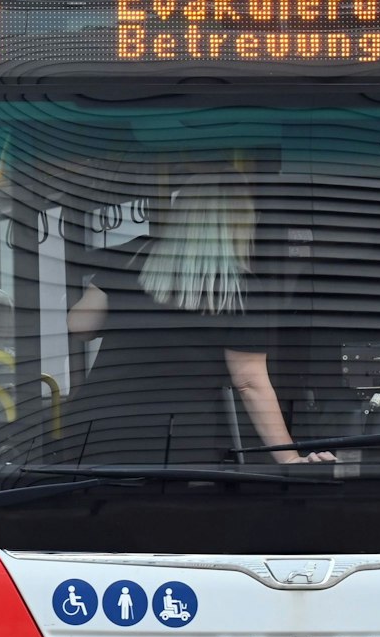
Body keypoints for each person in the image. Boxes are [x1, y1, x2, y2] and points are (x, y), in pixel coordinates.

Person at [66, 177, 334, 466]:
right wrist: (290, 458)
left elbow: (79, 326)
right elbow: (249, 382)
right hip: (174, 438)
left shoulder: (130, 254)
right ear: (240, 221)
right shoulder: (242, 289)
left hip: (95, 427)